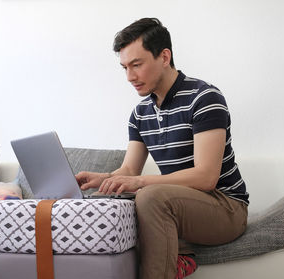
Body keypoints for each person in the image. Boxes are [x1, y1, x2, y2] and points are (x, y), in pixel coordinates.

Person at [75, 18, 249, 279]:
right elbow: (130, 169)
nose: (130, 77)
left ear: (164, 56)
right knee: (117, 202)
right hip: (181, 205)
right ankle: (178, 255)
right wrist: (103, 179)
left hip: (226, 207)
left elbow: (206, 178)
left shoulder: (204, 98)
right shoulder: (140, 114)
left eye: (137, 65)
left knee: (149, 196)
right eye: (124, 68)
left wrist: (142, 183)